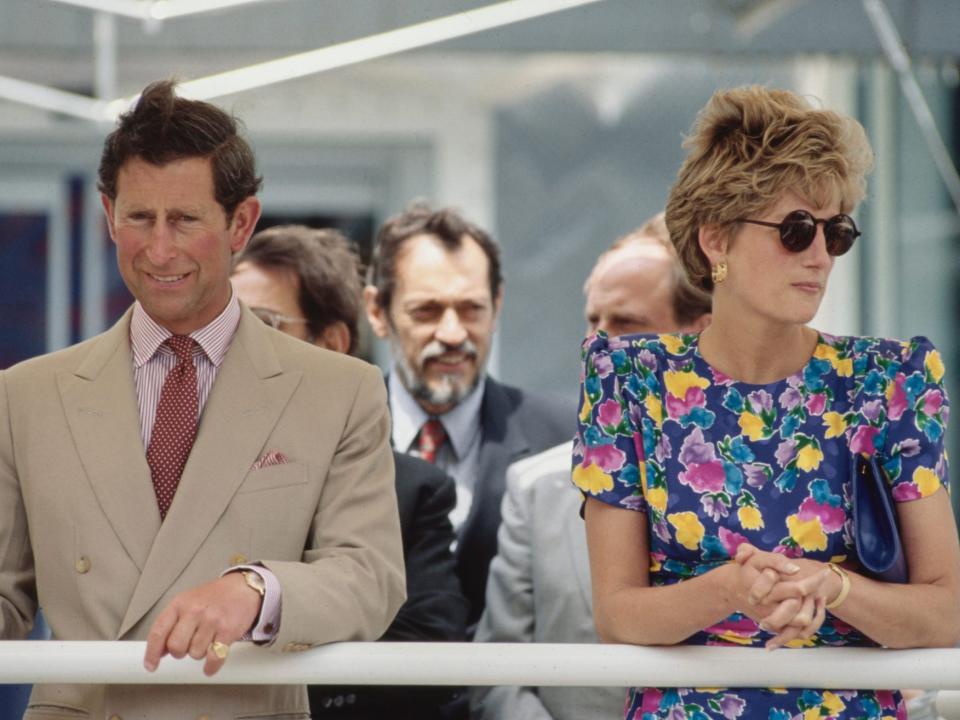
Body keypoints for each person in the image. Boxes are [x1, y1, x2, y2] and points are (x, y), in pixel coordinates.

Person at [0, 80, 405, 718]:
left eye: (185, 220)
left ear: (241, 221)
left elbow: (370, 577)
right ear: (108, 215)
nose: (160, 250)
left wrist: (257, 590)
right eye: (139, 218)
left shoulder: (340, 390)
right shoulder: (24, 396)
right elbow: (5, 599)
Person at [575, 85, 960, 720]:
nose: (819, 256)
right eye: (795, 230)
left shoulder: (888, 381)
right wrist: (730, 589)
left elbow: (943, 610)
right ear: (715, 240)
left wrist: (832, 586)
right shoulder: (628, 380)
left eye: (836, 232)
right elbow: (618, 614)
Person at [471, 214, 711, 720]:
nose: (596, 345)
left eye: (624, 324)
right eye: (592, 321)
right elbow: (496, 676)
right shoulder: (536, 487)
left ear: (697, 334)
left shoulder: (759, 481)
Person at [232, 224, 469, 718]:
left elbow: (427, 654)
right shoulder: (176, 475)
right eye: (224, 328)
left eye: (263, 323)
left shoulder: (411, 489)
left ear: (332, 343)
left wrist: (267, 622)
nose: (234, 349)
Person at [364, 203, 572, 626]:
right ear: (377, 312)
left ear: (497, 304)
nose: (453, 334)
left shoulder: (564, 439)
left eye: (471, 309)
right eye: (426, 311)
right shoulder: (336, 438)